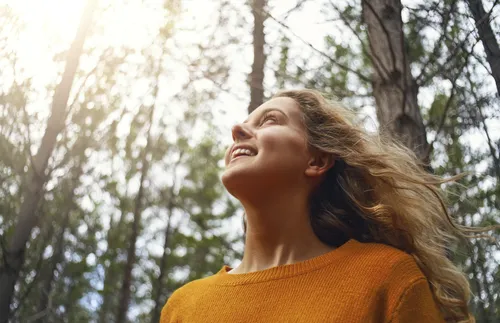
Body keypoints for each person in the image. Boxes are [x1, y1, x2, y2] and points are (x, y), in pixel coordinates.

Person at [160, 89, 494, 322]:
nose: (237, 130)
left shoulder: (387, 278)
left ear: (317, 160)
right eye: (245, 123)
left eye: (269, 120)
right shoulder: (184, 307)